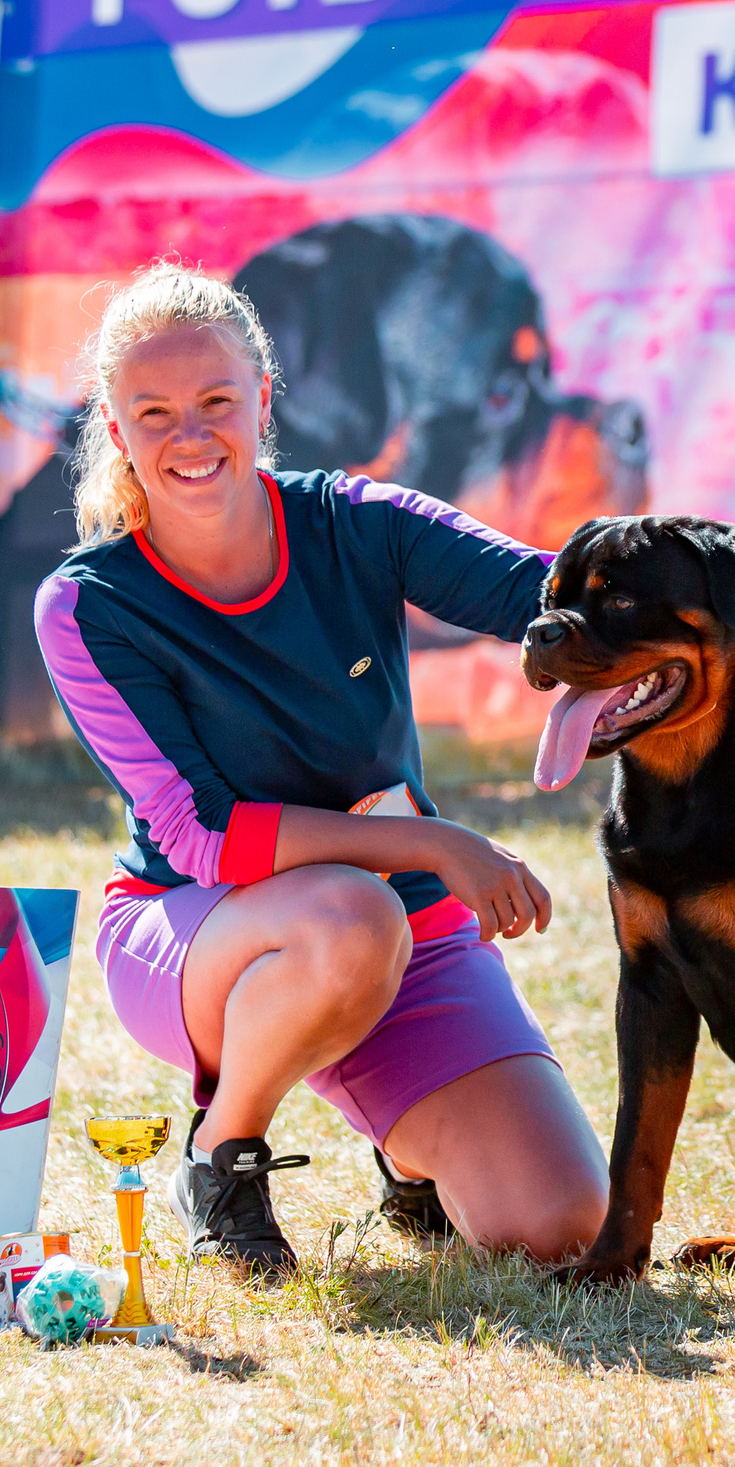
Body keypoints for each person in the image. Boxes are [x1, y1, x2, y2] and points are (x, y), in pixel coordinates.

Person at [33, 264, 608, 1275]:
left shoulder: (357, 520)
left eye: (217, 401)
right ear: (115, 430)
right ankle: (221, 1155)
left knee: (558, 1224)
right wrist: (431, 842)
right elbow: (201, 836)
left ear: (263, 397)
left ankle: (406, 1147)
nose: (190, 435)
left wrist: (688, 595)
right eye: (154, 412)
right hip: (198, 931)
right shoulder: (87, 605)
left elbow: (545, 594)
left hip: (395, 922)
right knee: (351, 916)